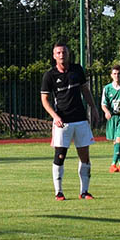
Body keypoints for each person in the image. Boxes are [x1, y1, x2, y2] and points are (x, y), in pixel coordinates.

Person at [40, 41, 100, 200]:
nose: (62, 55)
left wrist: (93, 108)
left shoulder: (77, 70)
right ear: (54, 56)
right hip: (62, 122)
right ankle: (58, 192)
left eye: (64, 52)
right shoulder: (49, 76)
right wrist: (55, 116)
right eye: (58, 53)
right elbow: (44, 100)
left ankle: (84, 192)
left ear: (68, 54)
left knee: (85, 157)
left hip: (80, 120)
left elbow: (85, 90)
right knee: (60, 156)